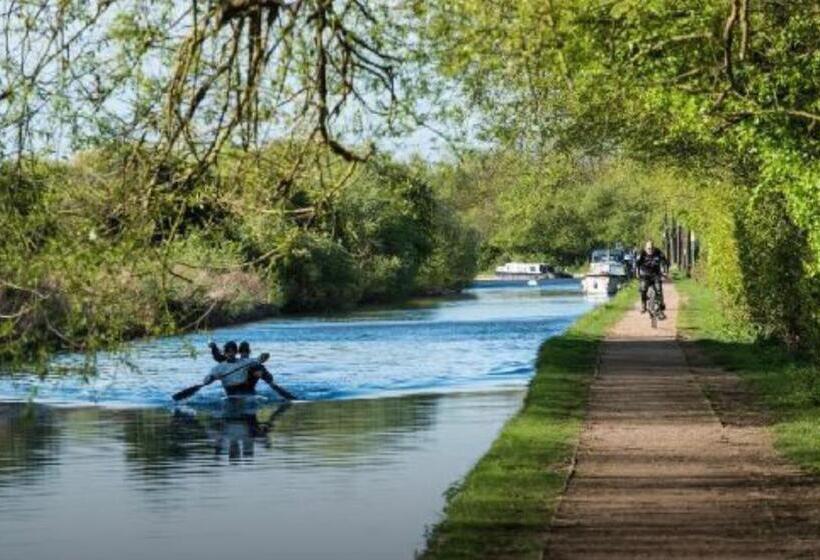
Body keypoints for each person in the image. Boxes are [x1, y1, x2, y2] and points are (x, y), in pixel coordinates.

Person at [203, 340, 274, 396]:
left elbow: (260, 359)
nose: (231, 354)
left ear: (236, 352)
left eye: (233, 351)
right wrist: (211, 378)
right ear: (225, 353)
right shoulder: (219, 367)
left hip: (245, 390)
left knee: (258, 368)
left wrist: (264, 356)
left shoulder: (245, 362)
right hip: (231, 392)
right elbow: (206, 380)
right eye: (228, 352)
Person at [636, 240, 669, 316]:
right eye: (648, 248)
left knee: (658, 289)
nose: (650, 250)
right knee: (643, 288)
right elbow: (637, 264)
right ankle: (643, 305)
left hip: (656, 274)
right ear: (645, 248)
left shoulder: (658, 252)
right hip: (645, 274)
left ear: (654, 247)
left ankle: (660, 307)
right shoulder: (642, 253)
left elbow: (665, 262)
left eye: (651, 248)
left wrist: (665, 272)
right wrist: (637, 273)